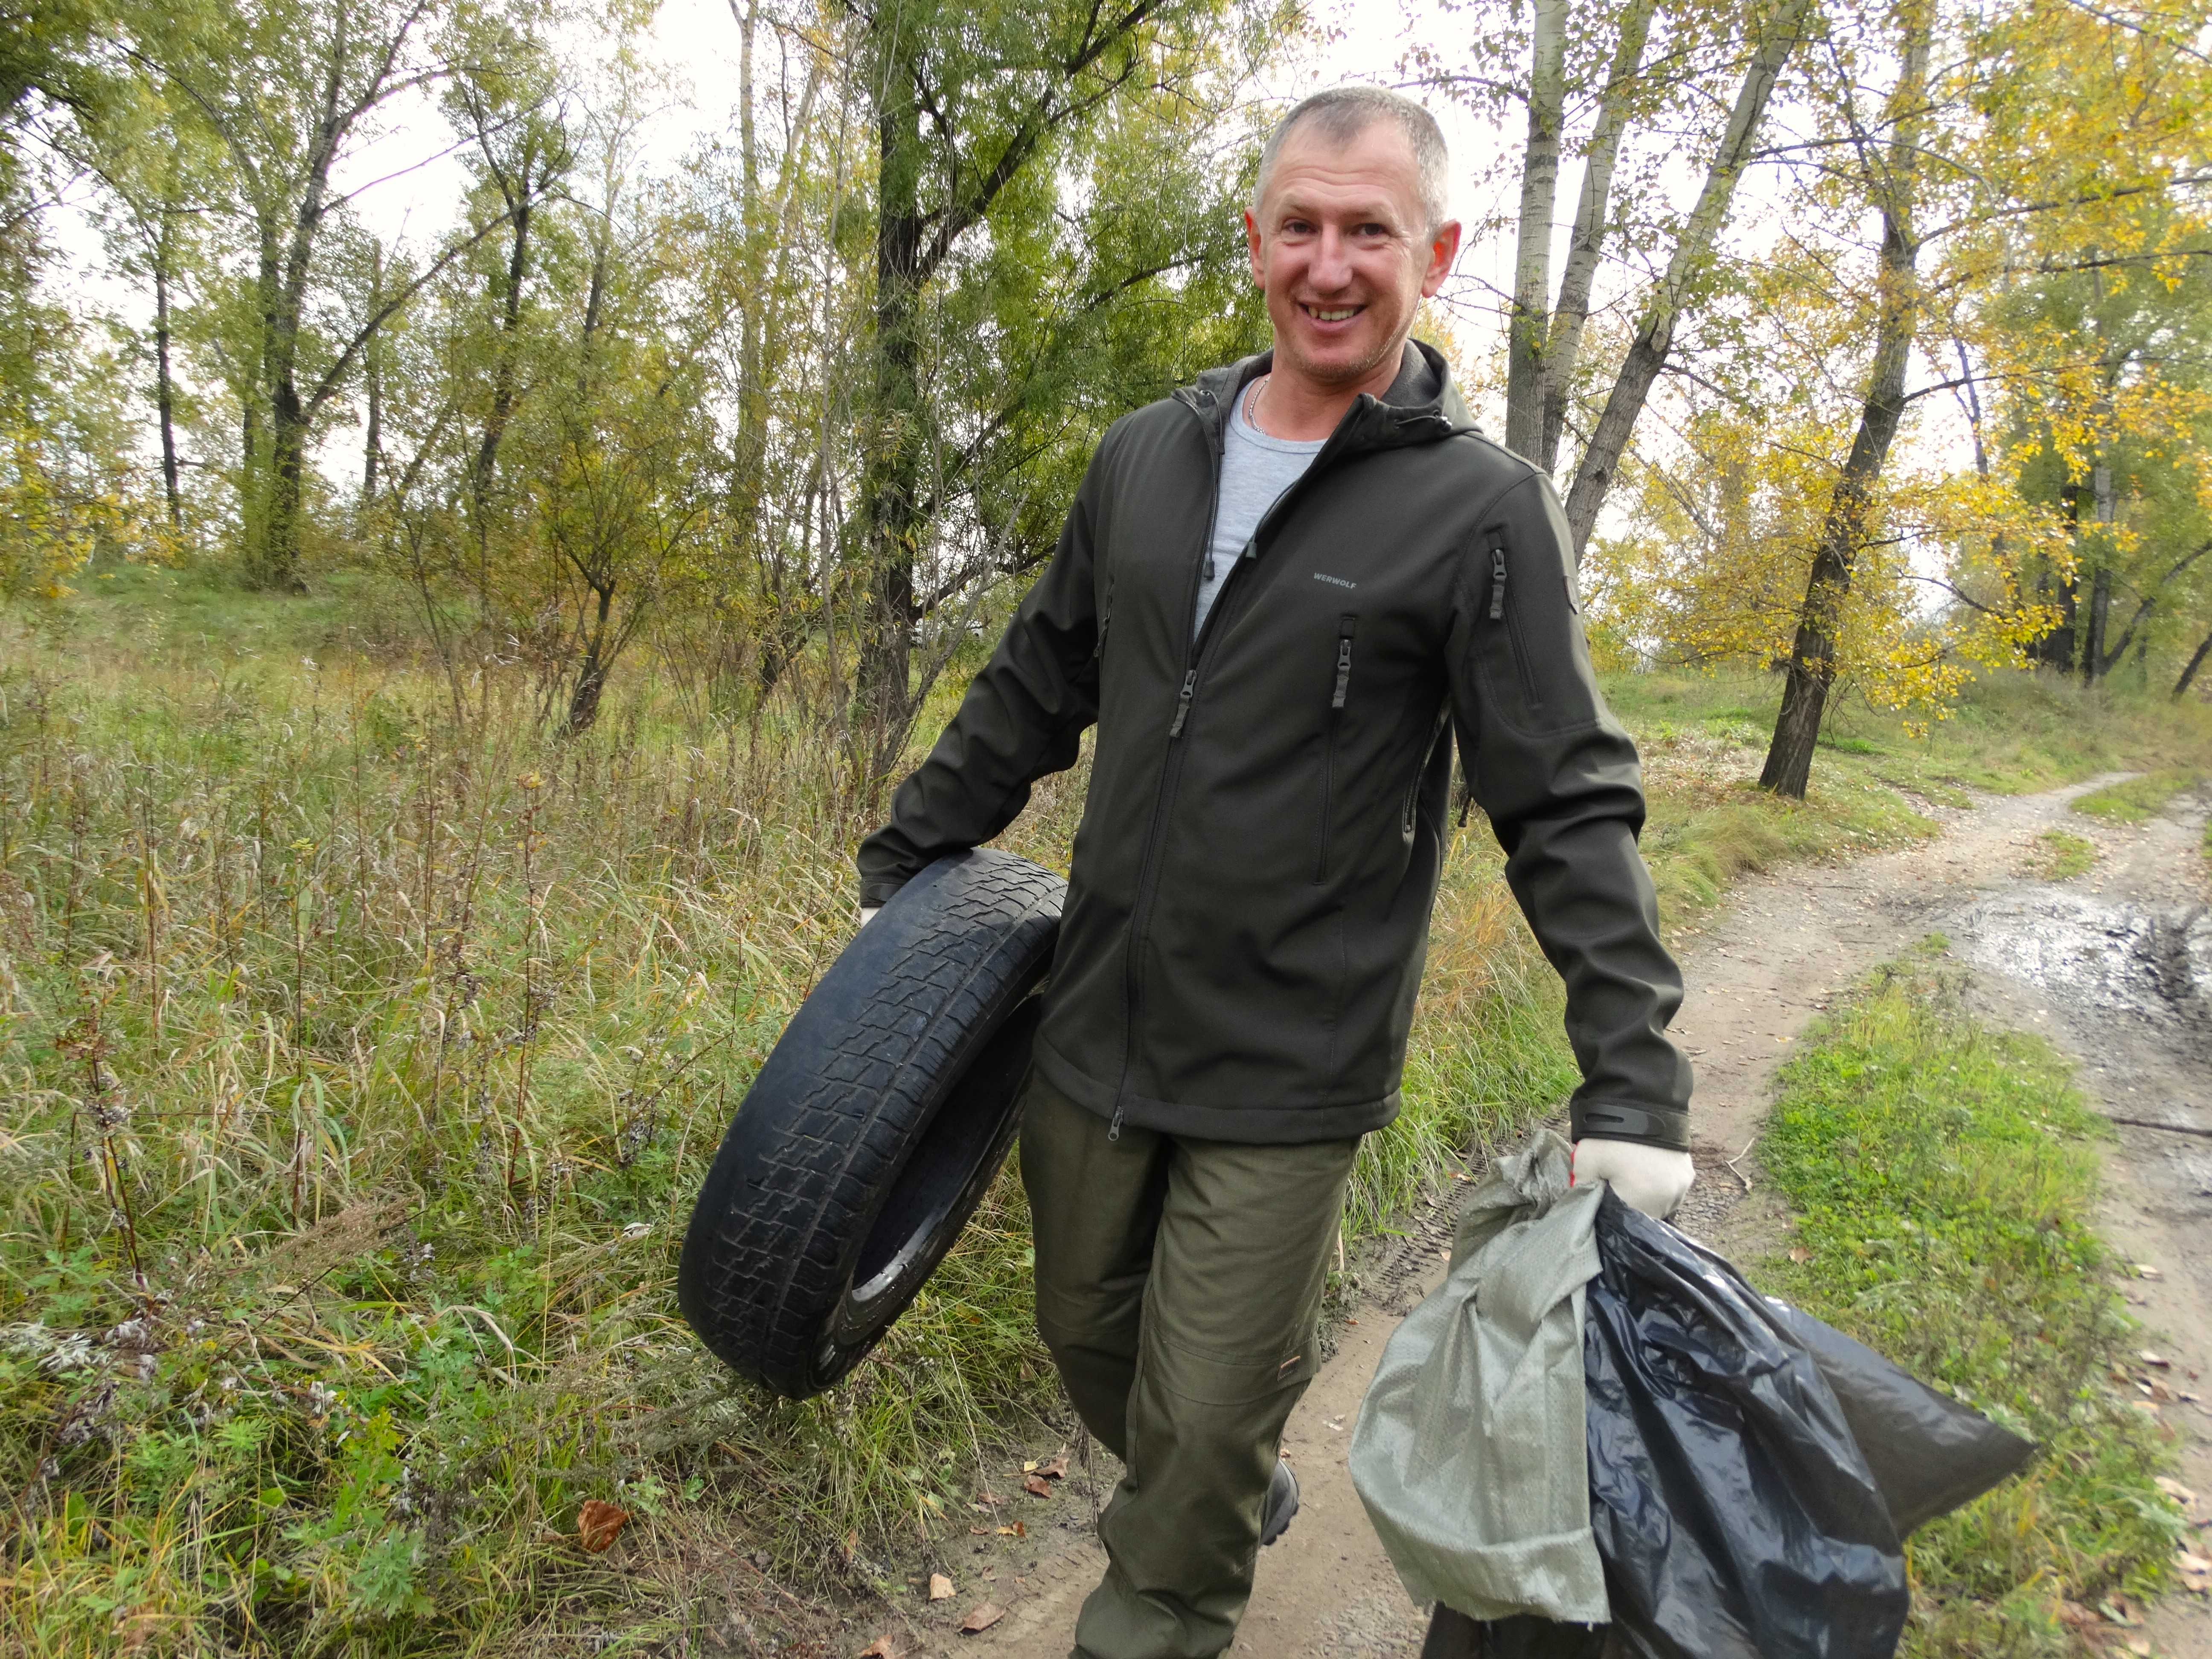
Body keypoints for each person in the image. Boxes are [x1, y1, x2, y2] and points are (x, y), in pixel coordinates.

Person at [855, 85, 1695, 1659]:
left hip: (1293, 1059)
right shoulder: (1144, 461)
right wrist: (907, 860)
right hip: (1093, 1019)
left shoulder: (1477, 509)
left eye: (1367, 231)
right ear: (1255, 241)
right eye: (1300, 226)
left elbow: (1568, 804)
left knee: (1184, 1476)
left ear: (1433, 252)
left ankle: (1177, 1568)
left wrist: (1632, 1089)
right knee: (1089, 1335)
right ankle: (1223, 1479)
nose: (1330, 263)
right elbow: (1037, 683)